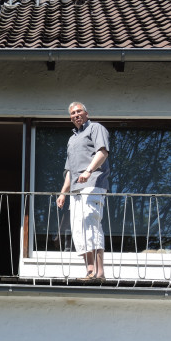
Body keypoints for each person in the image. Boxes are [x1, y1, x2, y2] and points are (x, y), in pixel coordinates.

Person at [56, 102, 110, 279]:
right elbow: (70, 170)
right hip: (76, 190)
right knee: (78, 229)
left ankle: (99, 272)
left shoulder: (95, 128)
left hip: (93, 184)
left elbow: (102, 152)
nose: (76, 115)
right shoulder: (72, 139)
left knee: (91, 224)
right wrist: (64, 192)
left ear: (86, 113)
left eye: (79, 111)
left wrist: (89, 171)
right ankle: (89, 270)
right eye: (73, 113)